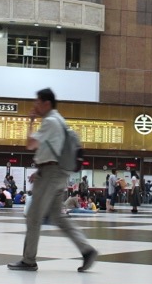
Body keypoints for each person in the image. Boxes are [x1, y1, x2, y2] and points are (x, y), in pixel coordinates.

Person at [8, 88, 97, 272]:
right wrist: (40, 170)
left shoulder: (49, 121)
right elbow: (51, 149)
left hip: (51, 173)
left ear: (46, 103)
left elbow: (30, 144)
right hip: (58, 173)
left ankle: (28, 260)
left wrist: (31, 122)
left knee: (33, 216)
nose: (35, 106)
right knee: (58, 216)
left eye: (37, 102)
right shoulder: (60, 120)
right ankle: (87, 250)